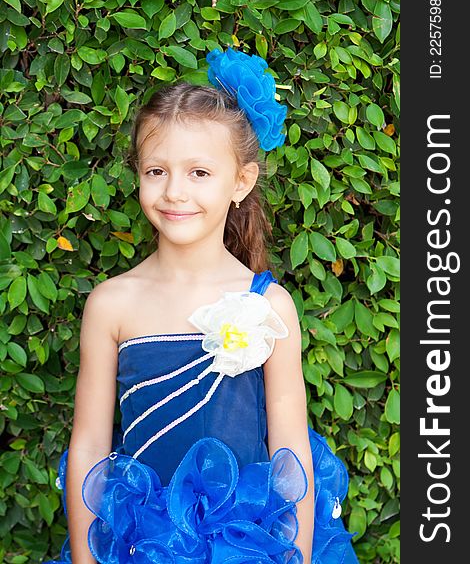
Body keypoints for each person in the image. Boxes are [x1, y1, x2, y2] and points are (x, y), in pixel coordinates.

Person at [45, 47, 358, 563]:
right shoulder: (111, 304)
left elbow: (290, 452)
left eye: (199, 173)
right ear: (139, 175)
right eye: (156, 170)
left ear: (241, 182)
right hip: (140, 544)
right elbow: (88, 448)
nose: (174, 192)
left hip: (246, 544)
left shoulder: (269, 305)